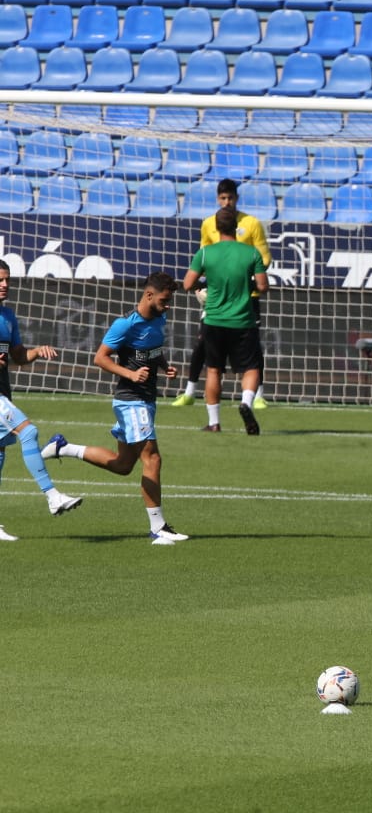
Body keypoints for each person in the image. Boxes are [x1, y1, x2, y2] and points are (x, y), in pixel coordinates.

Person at [41, 271, 187, 546]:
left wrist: (164, 366)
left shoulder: (160, 318)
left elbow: (153, 350)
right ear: (149, 295)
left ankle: (63, 447)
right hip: (130, 399)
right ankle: (159, 527)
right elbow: (100, 358)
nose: (168, 306)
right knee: (152, 458)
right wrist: (130, 374)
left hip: (146, 399)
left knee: (123, 465)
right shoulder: (125, 325)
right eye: (165, 300)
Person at [0, 261, 83, 541]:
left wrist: (36, 351)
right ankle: (52, 495)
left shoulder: (8, 316)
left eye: (7, 280)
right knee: (29, 431)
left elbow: (18, 356)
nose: (5, 285)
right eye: (0, 280)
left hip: (3, 391)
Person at [172, 178, 271, 411]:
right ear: (218, 199)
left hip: (246, 298)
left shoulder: (252, 223)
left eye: (230, 198)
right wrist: (205, 285)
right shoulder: (208, 224)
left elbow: (264, 258)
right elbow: (203, 256)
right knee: (202, 346)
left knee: (249, 351)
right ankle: (189, 392)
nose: (227, 202)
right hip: (218, 297)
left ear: (236, 198)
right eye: (223, 198)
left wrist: (239, 280)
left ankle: (257, 397)